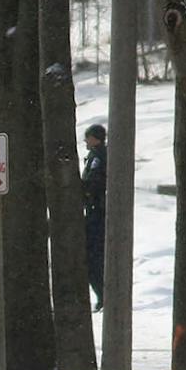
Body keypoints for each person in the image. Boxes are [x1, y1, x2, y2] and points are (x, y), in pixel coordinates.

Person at [84, 122, 107, 310]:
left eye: (88, 137)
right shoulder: (96, 155)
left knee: (94, 259)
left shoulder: (99, 156)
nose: (85, 140)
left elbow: (93, 183)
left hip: (97, 214)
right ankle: (102, 295)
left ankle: (102, 295)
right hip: (95, 212)